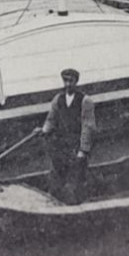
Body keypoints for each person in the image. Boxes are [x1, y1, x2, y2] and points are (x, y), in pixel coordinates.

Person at [40, 68, 95, 203]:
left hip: (76, 147)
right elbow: (51, 119)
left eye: (71, 81)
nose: (68, 84)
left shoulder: (85, 100)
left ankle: (77, 206)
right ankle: (56, 203)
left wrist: (83, 150)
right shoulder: (58, 99)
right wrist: (44, 130)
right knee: (57, 176)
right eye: (65, 81)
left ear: (76, 82)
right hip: (61, 145)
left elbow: (88, 126)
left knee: (76, 180)